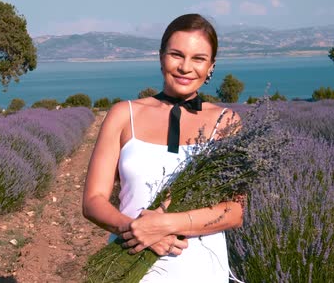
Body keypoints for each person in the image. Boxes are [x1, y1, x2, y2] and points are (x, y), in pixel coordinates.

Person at [82, 14, 244, 282]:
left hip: (199, 269)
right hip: (130, 261)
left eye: (198, 58)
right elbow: (93, 201)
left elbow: (234, 211)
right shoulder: (124, 115)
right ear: (161, 57)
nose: (185, 67)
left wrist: (164, 225)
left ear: (211, 66)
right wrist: (135, 230)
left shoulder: (226, 122)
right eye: (176, 55)